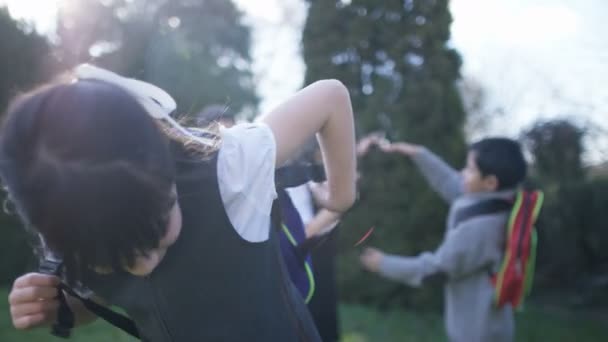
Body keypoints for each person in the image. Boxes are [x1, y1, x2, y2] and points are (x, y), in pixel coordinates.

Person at [2, 64, 356, 341]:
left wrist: (340, 198)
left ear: (162, 159)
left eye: (156, 227)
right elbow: (102, 296)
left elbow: (330, 96)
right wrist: (63, 308)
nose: (144, 265)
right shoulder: (77, 227)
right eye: (119, 258)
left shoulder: (229, 169)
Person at [360, 137, 527, 342]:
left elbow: (435, 271)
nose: (463, 174)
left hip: (477, 331)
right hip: (488, 324)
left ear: (490, 182)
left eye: (470, 169)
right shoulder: (495, 201)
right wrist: (418, 153)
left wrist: (384, 264)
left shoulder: (479, 229)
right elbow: (453, 184)